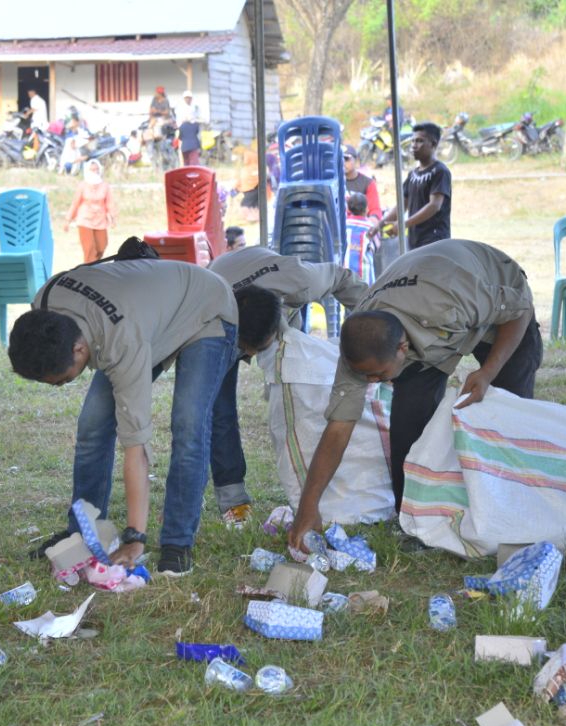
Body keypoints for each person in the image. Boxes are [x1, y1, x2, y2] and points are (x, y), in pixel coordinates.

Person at [286, 240, 542, 555]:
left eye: (378, 376)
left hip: (497, 299)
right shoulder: (361, 348)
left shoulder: (450, 301)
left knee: (508, 417)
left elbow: (518, 311)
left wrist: (488, 372)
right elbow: (338, 429)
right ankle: (414, 522)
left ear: (403, 349)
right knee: (408, 426)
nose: (372, 383)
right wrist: (307, 507)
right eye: (366, 377)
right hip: (431, 324)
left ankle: (512, 512)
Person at [10, 257, 238, 577]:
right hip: (147, 314)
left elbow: (136, 448)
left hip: (205, 307)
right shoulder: (45, 303)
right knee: (92, 424)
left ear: (78, 350)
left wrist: (135, 538)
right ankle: (83, 532)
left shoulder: (120, 342)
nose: (60, 386)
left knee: (188, 422)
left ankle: (176, 542)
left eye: (62, 380)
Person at [206, 246, 369, 525]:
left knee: (292, 386)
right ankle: (233, 501)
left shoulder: (301, 280)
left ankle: (308, 476)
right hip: (219, 312)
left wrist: (376, 331)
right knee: (218, 409)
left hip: (269, 297)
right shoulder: (209, 310)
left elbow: (343, 278)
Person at [371, 122, 450, 250]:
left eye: (419, 141)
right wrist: (379, 225)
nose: (414, 146)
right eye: (413, 141)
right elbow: (402, 205)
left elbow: (434, 205)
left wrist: (403, 224)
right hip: (415, 240)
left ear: (433, 144)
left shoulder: (440, 172)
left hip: (435, 241)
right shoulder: (413, 174)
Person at [64, 159, 116, 263]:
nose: (94, 172)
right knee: (89, 249)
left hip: (100, 220)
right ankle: (90, 272)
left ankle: (93, 265)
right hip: (85, 220)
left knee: (102, 245)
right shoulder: (82, 185)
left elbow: (109, 203)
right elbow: (75, 203)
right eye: (92, 170)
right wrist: (68, 220)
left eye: (96, 169)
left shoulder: (105, 185)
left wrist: (113, 218)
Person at [344, 192, 376, 286]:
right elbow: (376, 246)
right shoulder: (370, 227)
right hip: (364, 275)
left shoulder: (345, 224)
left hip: (346, 272)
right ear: (366, 209)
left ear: (349, 208)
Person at [342, 144, 381, 220]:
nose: (343, 163)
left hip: (360, 227)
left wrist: (372, 222)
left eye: (346, 159)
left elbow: (375, 210)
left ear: (356, 161)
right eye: (340, 159)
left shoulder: (367, 183)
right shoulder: (333, 182)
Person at [236, 142, 261, 224]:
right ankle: (255, 217)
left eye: (244, 158)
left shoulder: (250, 169)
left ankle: (251, 218)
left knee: (245, 204)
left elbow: (243, 179)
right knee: (254, 205)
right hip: (253, 189)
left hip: (251, 190)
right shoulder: (254, 167)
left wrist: (237, 187)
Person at [179, 90, 202, 166]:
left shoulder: (195, 107)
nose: (188, 99)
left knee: (188, 162)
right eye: (186, 98)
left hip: (186, 140)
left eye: (189, 98)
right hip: (189, 139)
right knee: (192, 162)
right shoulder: (181, 107)